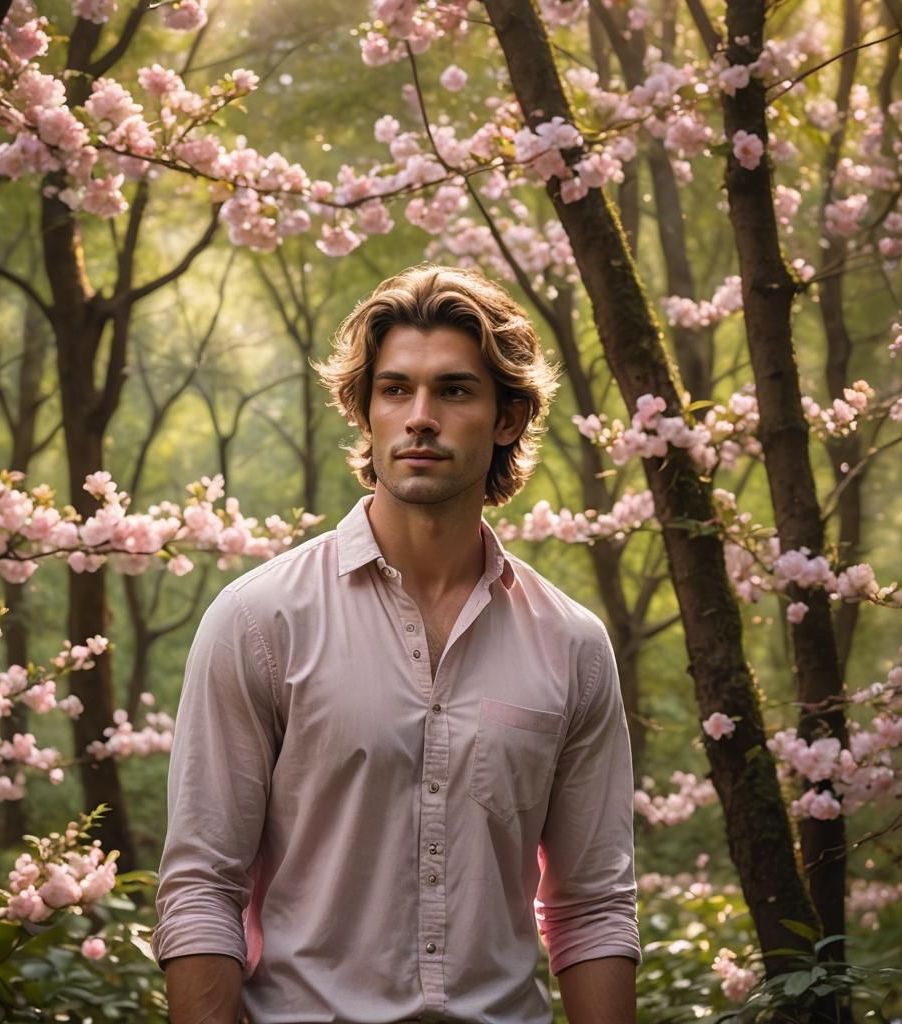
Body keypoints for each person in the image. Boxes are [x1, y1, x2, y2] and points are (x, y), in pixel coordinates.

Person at [152, 264, 641, 1024]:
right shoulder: (259, 621)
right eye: (394, 390)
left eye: (454, 391)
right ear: (366, 411)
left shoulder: (572, 644)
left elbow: (593, 908)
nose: (420, 417)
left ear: (508, 418)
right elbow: (202, 890)